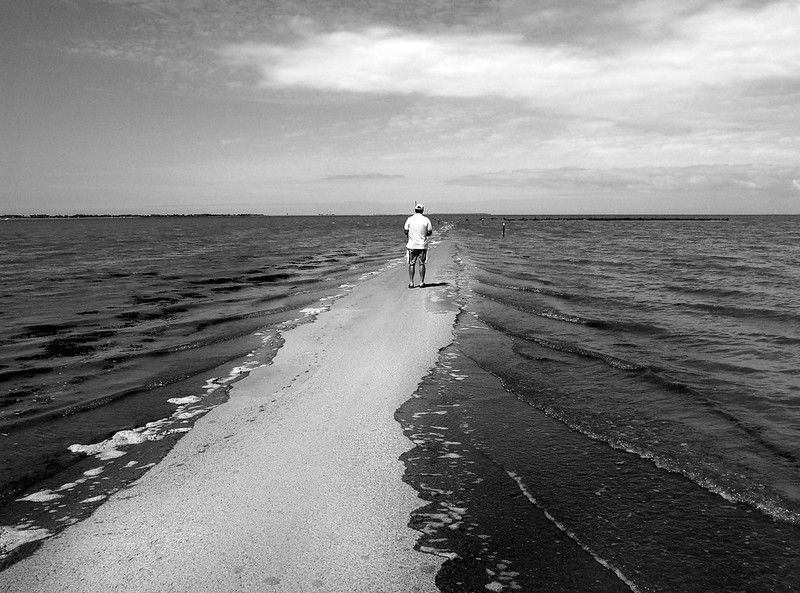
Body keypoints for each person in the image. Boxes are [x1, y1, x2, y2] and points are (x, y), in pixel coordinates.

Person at [403, 203, 433, 288]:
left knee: (411, 264)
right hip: (422, 245)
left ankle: (411, 283)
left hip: (411, 245)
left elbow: (405, 230)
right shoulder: (426, 219)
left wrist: (409, 234)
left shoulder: (409, 219)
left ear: (415, 210)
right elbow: (430, 232)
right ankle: (421, 282)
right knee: (421, 264)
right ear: (422, 210)